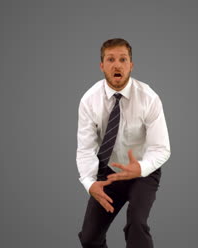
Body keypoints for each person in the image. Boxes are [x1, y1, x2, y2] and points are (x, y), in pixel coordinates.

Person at [76, 38, 171, 248]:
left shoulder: (149, 98)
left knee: (136, 225)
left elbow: (161, 148)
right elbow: (85, 149)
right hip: (109, 172)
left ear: (131, 65)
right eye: (110, 59)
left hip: (143, 172)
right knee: (89, 237)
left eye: (122, 59)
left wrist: (140, 168)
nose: (116, 64)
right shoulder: (89, 100)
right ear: (102, 65)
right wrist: (90, 183)